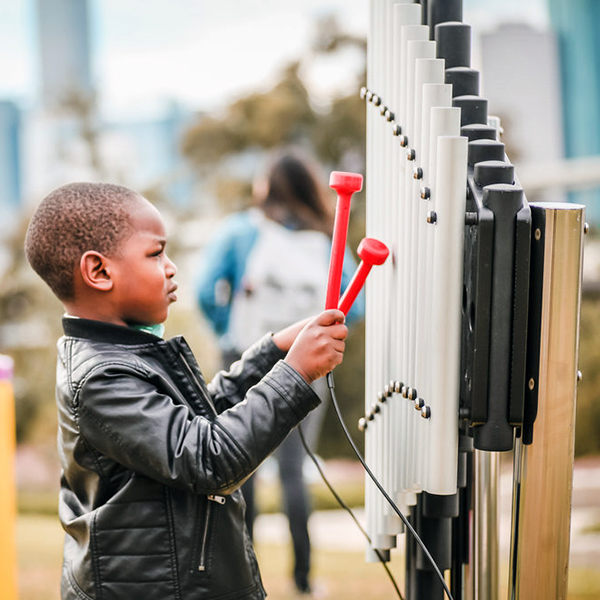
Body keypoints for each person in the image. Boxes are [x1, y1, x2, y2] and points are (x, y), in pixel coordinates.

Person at [24, 181, 347, 600]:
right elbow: (209, 457)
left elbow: (201, 421)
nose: (171, 267)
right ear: (99, 272)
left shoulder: (133, 354)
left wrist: (274, 352)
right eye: (156, 253)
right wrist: (296, 374)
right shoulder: (102, 379)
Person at [195, 150, 364, 595]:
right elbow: (355, 304)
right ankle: (304, 579)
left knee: (236, 464)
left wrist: (227, 333)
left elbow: (203, 288)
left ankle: (240, 574)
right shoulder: (330, 238)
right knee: (295, 472)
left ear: (265, 186)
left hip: (243, 355)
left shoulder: (240, 230)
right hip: (310, 365)